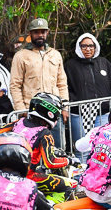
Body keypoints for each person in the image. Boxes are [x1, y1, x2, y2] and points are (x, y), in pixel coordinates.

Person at [9, 18, 70, 149]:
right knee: (34, 151)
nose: (40, 35)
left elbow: (62, 83)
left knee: (58, 149)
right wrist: (22, 110)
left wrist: (65, 107)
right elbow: (15, 85)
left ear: (47, 33)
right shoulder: (21, 56)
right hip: (33, 113)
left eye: (43, 32)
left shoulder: (55, 54)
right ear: (30, 34)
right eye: (36, 32)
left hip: (54, 111)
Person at [9, 93, 74, 202]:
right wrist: (70, 160)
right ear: (50, 113)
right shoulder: (44, 133)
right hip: (28, 176)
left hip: (8, 173)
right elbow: (51, 162)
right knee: (67, 186)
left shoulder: (18, 123)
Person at [64, 33, 111, 157]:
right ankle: (81, 175)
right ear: (79, 47)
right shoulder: (70, 66)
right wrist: (75, 100)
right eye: (84, 46)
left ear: (95, 47)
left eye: (90, 46)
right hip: (79, 115)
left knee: (102, 147)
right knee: (82, 148)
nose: (88, 49)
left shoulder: (104, 63)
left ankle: (99, 175)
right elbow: (65, 86)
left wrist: (109, 100)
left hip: (102, 113)